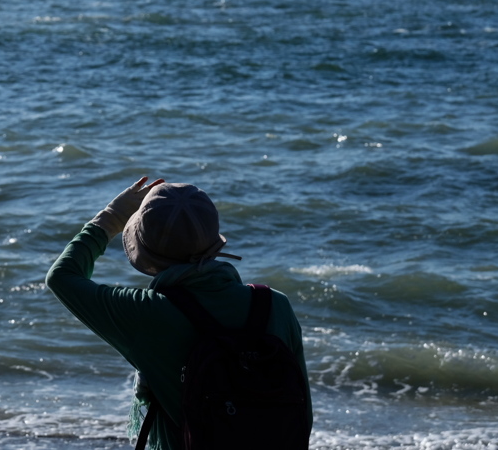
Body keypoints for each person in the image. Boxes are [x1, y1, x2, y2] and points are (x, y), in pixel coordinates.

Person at [45, 177, 311, 449]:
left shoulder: (148, 313)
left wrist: (111, 217)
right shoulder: (275, 305)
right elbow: (303, 413)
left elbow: (62, 277)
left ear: (145, 252)